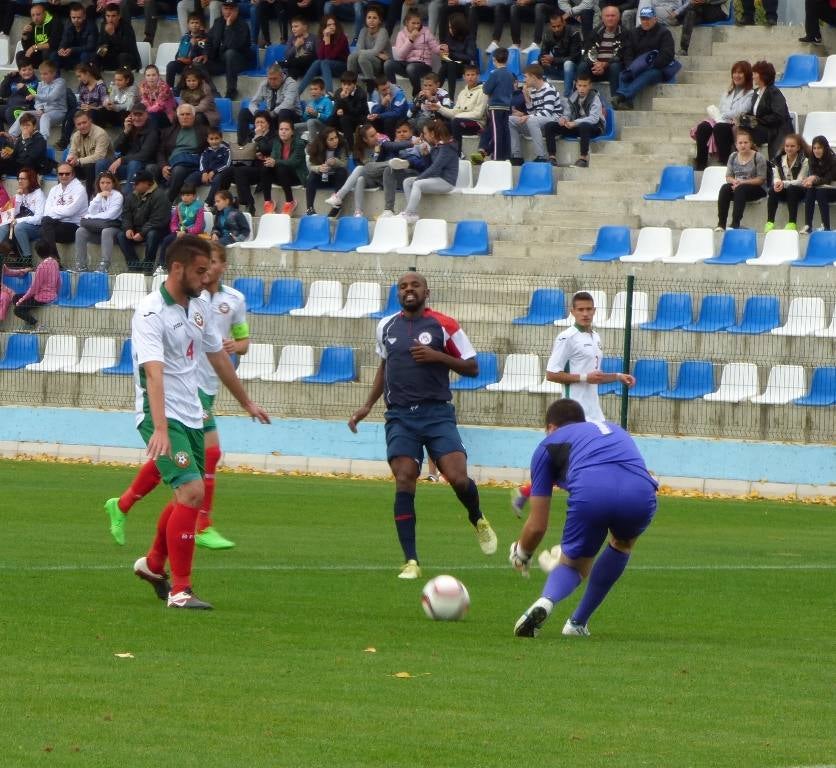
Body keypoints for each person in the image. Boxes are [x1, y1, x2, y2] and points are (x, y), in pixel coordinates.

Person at [123, 235, 269, 609]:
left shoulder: (199, 308)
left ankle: (154, 564)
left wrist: (247, 401)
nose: (207, 278)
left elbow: (219, 358)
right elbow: (153, 373)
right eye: (200, 271)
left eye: (209, 270)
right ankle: (180, 590)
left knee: (186, 494)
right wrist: (158, 427)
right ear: (177, 268)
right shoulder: (151, 312)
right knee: (191, 492)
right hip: (162, 415)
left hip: (191, 413)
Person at [347, 271, 498, 579]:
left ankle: (477, 516)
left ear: (426, 291)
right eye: (402, 286)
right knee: (405, 477)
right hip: (401, 416)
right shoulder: (385, 326)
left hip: (437, 413)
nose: (408, 290)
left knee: (457, 478)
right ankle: (411, 560)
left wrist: (437, 356)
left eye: (414, 285)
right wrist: (366, 405)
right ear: (397, 293)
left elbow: (472, 366)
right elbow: (385, 366)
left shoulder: (445, 325)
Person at [509, 398, 657, 638]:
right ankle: (577, 623)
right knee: (622, 543)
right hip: (641, 491)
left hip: (592, 493)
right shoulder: (611, 429)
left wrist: (522, 553)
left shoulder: (548, 444)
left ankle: (547, 600)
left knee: (575, 564)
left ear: (551, 428)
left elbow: (537, 526)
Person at [324, 122, 415, 216]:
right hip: (371, 178)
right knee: (360, 177)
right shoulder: (358, 152)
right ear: (365, 139)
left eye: (376, 133)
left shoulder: (383, 143)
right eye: (372, 136)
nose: (376, 136)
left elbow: (393, 146)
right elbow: (369, 170)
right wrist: (376, 154)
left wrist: (411, 143)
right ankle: (358, 212)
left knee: (363, 168)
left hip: (384, 177)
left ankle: (339, 196)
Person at [692, 60, 753, 171]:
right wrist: (723, 115)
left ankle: (725, 163)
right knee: (703, 127)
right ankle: (701, 164)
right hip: (722, 120)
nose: (736, 76)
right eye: (734, 73)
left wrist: (723, 115)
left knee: (720, 128)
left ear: (747, 75)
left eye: (740, 73)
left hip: (736, 124)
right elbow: (721, 109)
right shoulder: (727, 93)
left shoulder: (751, 94)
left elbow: (742, 111)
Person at [611, 6, 675, 111]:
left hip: (656, 69)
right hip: (637, 66)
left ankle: (621, 96)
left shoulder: (664, 33)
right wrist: (631, 67)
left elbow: (667, 55)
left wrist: (648, 66)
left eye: (648, 19)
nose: (645, 22)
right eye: (643, 19)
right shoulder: (633, 33)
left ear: (655, 19)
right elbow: (628, 52)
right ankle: (627, 103)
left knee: (649, 73)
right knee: (625, 73)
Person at [397, 119, 457, 223]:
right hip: (436, 179)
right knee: (407, 182)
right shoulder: (435, 147)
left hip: (446, 182)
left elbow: (435, 169)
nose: (424, 136)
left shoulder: (446, 148)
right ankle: (412, 213)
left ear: (432, 134)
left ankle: (409, 213)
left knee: (417, 184)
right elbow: (429, 166)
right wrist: (426, 155)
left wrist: (419, 179)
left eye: (425, 133)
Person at [219, 110, 276, 215]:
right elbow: (244, 149)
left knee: (240, 171)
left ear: (268, 124)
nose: (259, 125)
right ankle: (222, 202)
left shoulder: (273, 136)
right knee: (228, 171)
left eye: (262, 122)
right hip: (247, 166)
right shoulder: (251, 134)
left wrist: (259, 137)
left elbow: (267, 150)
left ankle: (249, 204)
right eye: (257, 122)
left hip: (263, 169)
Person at [96, 103, 159, 196]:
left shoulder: (153, 131)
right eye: (135, 115)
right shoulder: (130, 128)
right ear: (130, 115)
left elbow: (145, 154)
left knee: (134, 163)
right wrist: (125, 132)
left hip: (142, 166)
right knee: (101, 163)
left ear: (146, 115)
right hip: (127, 165)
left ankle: (127, 197)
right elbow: (116, 148)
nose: (137, 118)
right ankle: (100, 195)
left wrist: (121, 160)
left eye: (140, 115)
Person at [544, 72, 605, 167]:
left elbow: (594, 119)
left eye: (585, 86)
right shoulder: (573, 98)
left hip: (594, 127)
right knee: (550, 126)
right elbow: (568, 114)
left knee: (584, 125)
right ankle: (552, 157)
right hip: (577, 127)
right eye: (580, 85)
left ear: (590, 86)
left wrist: (575, 123)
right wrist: (564, 119)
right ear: (576, 85)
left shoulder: (595, 98)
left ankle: (583, 159)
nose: (582, 88)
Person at [26, 163, 88, 255]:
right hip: (55, 224)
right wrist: (60, 210)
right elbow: (46, 212)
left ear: (73, 174)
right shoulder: (54, 189)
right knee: (44, 228)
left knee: (44, 232)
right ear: (57, 175)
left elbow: (70, 211)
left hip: (74, 226)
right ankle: (54, 259)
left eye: (67, 173)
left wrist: (54, 209)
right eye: (61, 174)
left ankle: (53, 259)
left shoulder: (80, 189)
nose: (64, 176)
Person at [118, 169, 171, 274]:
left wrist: (142, 233)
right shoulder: (131, 196)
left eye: (137, 183)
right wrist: (128, 228)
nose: (134, 186)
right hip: (137, 229)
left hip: (155, 230)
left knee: (152, 234)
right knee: (121, 235)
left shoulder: (160, 196)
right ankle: (134, 266)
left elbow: (158, 220)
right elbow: (126, 215)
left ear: (147, 183)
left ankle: (148, 266)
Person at [154, 103, 210, 202]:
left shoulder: (204, 131)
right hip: (173, 163)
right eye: (182, 114)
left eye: (188, 114)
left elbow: (212, 150)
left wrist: (206, 170)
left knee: (178, 170)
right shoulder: (169, 132)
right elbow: (160, 152)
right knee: (155, 170)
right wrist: (163, 166)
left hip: (195, 164)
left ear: (194, 116)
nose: (185, 117)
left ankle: (166, 202)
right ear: (178, 117)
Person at [715, 127, 768, 231]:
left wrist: (742, 182)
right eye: (740, 143)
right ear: (736, 145)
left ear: (751, 143)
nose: (743, 145)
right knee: (725, 188)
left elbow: (761, 179)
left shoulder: (758, 157)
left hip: (756, 189)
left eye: (745, 142)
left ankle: (735, 223)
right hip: (739, 187)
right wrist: (734, 181)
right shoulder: (733, 156)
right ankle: (721, 224)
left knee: (740, 189)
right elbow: (728, 176)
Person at [237, 65, 300, 147]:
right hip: (271, 116)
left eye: (275, 79)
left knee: (283, 112)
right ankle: (243, 145)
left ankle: (280, 147)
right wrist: (257, 113)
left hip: (291, 116)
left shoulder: (291, 84)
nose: (272, 81)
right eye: (270, 79)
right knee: (244, 112)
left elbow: (289, 104)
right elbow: (253, 103)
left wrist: (273, 113)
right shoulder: (264, 84)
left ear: (281, 76)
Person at [471, 47, 515, 164]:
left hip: (496, 106)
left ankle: (496, 157)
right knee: (504, 131)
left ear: (494, 59)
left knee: (496, 132)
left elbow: (486, 89)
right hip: (506, 107)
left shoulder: (495, 74)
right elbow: (512, 90)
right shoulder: (510, 74)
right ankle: (505, 155)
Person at [740, 60, 792, 160]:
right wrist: (745, 118)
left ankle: (748, 158)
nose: (753, 76)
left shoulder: (774, 92)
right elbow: (754, 113)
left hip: (774, 129)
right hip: (761, 127)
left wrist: (757, 120)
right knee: (737, 127)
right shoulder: (756, 92)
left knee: (743, 130)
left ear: (763, 75)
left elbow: (778, 115)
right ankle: (744, 157)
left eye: (755, 73)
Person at [73, 170, 124, 273]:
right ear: (98, 184)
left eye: (108, 183)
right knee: (80, 231)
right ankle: (81, 265)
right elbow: (91, 211)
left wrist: (91, 217)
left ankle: (104, 265)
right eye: (102, 183)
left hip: (114, 228)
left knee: (106, 231)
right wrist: (98, 197)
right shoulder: (98, 196)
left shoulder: (118, 196)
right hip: (98, 228)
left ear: (113, 183)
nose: (105, 185)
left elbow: (111, 215)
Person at [510, 64, 560, 166]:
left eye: (526, 77)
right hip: (537, 122)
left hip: (553, 120)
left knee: (531, 120)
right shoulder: (532, 90)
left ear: (533, 77)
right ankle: (516, 156)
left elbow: (547, 112)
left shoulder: (549, 89)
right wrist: (526, 97)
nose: (524, 80)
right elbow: (533, 113)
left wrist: (528, 117)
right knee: (509, 119)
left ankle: (541, 156)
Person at [9, 239, 61, 333]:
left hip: (41, 298)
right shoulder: (55, 262)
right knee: (16, 297)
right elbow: (59, 281)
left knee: (17, 310)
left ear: (38, 253)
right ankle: (28, 321)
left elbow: (34, 289)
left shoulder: (41, 267)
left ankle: (36, 324)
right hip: (51, 295)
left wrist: (22, 299)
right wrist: (55, 294)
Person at [385, 10, 441, 98]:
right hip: (406, 64)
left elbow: (435, 48)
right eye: (413, 23)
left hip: (423, 65)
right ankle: (393, 91)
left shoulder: (426, 32)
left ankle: (417, 94)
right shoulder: (401, 34)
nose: (416, 26)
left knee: (411, 68)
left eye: (418, 23)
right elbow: (400, 55)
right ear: (407, 23)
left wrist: (442, 49)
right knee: (388, 64)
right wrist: (410, 40)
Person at [7, 60, 66, 141]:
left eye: (45, 74)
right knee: (25, 114)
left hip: (58, 111)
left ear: (53, 73)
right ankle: (11, 137)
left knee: (45, 116)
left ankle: (41, 140)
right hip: (44, 111)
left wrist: (35, 96)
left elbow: (51, 97)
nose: (42, 76)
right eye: (41, 74)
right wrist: (40, 109)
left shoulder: (60, 82)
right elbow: (38, 102)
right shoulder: (41, 84)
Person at [206, 0, 252, 100]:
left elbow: (233, 45)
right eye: (225, 9)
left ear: (236, 10)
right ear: (222, 9)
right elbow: (209, 41)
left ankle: (231, 90)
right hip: (221, 62)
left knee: (230, 53)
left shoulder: (242, 25)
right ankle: (213, 92)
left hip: (239, 61)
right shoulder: (218, 22)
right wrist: (205, 55)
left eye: (231, 9)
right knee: (198, 63)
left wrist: (229, 27)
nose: (227, 12)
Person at [261, 118, 308, 215]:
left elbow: (293, 162)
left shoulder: (299, 143)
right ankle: (268, 201)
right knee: (266, 167)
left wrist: (275, 162)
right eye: (281, 129)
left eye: (286, 129)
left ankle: (290, 201)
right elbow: (273, 158)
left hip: (296, 176)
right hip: (281, 176)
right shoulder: (277, 142)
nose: (283, 132)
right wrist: (270, 161)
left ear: (292, 132)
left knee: (281, 167)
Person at [156, 184, 205, 274]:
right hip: (179, 232)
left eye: (188, 195)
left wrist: (186, 231)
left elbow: (199, 226)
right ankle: (161, 265)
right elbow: (173, 222)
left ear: (194, 196)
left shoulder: (199, 207)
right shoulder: (179, 206)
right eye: (183, 195)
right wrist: (176, 231)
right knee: (166, 240)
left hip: (193, 234)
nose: (185, 198)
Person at [765, 134, 809, 234]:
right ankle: (770, 222)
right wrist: (777, 183)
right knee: (772, 190)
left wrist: (783, 183)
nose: (789, 148)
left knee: (792, 189)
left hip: (799, 191)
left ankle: (792, 223)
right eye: (787, 146)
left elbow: (800, 181)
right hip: (784, 189)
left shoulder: (804, 160)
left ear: (798, 147)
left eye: (792, 146)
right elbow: (776, 176)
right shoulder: (779, 159)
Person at [438, 64, 487, 152]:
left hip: (477, 124)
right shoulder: (462, 93)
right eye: (468, 75)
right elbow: (454, 112)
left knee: (456, 122)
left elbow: (478, 114)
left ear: (478, 76)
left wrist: (458, 116)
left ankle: (458, 153)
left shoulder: (483, 91)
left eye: (473, 75)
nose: (470, 77)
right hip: (461, 122)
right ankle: (443, 151)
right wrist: (438, 108)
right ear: (464, 77)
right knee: (442, 125)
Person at [297, 14, 350, 94]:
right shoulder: (323, 37)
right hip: (328, 66)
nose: (332, 27)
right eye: (329, 25)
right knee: (317, 62)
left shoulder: (342, 37)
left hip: (343, 66)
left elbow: (330, 57)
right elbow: (320, 57)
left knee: (324, 62)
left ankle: (329, 94)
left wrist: (327, 41)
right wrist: (325, 39)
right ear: (324, 27)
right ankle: (297, 93)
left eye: (334, 24)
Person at [578, 4, 624, 95]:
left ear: (619, 18)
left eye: (613, 16)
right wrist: (596, 64)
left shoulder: (625, 34)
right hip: (595, 68)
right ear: (602, 18)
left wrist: (605, 64)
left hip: (612, 69)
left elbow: (622, 55)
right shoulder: (594, 33)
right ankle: (579, 98)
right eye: (607, 16)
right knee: (582, 65)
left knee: (615, 66)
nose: (610, 19)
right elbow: (587, 53)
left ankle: (616, 100)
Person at [303, 126, 348, 215]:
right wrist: (319, 168)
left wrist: (336, 161)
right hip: (322, 177)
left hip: (335, 179)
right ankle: (310, 208)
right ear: (324, 141)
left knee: (342, 172)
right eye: (331, 139)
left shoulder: (342, 145)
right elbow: (310, 165)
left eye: (336, 137)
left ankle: (337, 206)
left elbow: (344, 164)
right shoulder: (314, 147)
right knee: (312, 175)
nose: (335, 141)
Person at [66, 110, 113, 194]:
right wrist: (70, 159)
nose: (82, 126)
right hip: (85, 165)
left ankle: (89, 198)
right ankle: (61, 196)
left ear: (90, 121)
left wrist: (78, 161)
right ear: (75, 126)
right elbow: (72, 151)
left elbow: (99, 156)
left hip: (104, 166)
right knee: (64, 167)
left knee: (91, 166)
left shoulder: (100, 134)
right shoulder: (75, 135)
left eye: (84, 122)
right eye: (79, 124)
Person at [0, 168, 46, 251]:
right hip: (21, 225)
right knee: (3, 225)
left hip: (37, 228)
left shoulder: (39, 195)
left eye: (23, 179)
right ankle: (5, 254)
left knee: (19, 227)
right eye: (19, 179)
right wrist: (18, 197)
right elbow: (14, 214)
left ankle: (27, 258)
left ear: (31, 180)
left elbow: (39, 219)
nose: (20, 181)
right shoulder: (21, 193)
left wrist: (19, 220)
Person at [538, 11, 583, 95]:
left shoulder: (574, 33)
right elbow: (542, 53)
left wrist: (553, 60)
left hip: (573, 71)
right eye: (554, 27)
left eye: (559, 26)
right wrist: (543, 60)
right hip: (557, 69)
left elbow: (574, 57)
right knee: (535, 64)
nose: (556, 29)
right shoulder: (547, 34)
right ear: (550, 26)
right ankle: (538, 94)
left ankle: (567, 95)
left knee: (568, 64)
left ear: (564, 23)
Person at [346, 4, 391, 85]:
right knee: (351, 57)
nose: (371, 20)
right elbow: (360, 49)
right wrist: (376, 53)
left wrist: (374, 52)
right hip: (367, 61)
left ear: (380, 20)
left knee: (362, 57)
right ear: (366, 19)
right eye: (369, 17)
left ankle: (371, 84)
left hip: (382, 64)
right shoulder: (363, 31)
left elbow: (375, 50)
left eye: (375, 18)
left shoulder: (383, 32)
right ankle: (350, 83)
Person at [438, 12, 478, 98]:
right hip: (450, 66)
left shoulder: (469, 37)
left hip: (465, 67)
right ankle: (434, 94)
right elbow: (445, 60)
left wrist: (451, 54)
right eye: (449, 27)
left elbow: (470, 57)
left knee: (451, 65)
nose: (449, 30)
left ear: (458, 27)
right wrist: (443, 55)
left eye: (451, 27)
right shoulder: (448, 36)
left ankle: (450, 98)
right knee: (446, 66)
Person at [801, 136, 836, 234]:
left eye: (819, 148)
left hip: (833, 189)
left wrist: (814, 179)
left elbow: (827, 180)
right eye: (814, 148)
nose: (816, 151)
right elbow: (814, 178)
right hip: (820, 189)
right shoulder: (812, 159)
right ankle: (808, 225)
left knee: (820, 192)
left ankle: (826, 227)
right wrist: (808, 180)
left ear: (825, 148)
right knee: (810, 190)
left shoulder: (834, 160)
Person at [93, 4, 142, 73]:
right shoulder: (103, 25)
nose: (110, 19)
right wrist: (101, 49)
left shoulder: (127, 27)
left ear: (119, 16)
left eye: (113, 16)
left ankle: (124, 80)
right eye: (108, 16)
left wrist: (113, 35)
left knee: (122, 56)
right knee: (96, 56)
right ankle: (97, 80)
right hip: (112, 58)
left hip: (128, 61)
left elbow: (127, 49)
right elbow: (101, 44)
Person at [166, 12, 209, 88]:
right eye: (192, 23)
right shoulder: (185, 37)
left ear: (201, 25)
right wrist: (179, 58)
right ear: (188, 25)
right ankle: (169, 89)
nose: (194, 25)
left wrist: (194, 45)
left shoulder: (203, 38)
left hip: (195, 65)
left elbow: (202, 53)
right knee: (171, 65)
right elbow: (178, 53)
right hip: (183, 63)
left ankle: (178, 91)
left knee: (187, 70)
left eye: (196, 23)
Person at [52, 2, 97, 71]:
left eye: (79, 17)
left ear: (84, 16)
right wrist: (61, 49)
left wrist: (72, 49)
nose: (76, 20)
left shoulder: (91, 26)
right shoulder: (68, 25)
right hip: (72, 55)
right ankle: (56, 79)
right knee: (54, 55)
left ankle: (83, 78)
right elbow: (64, 41)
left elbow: (90, 47)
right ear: (70, 16)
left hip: (85, 56)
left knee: (84, 55)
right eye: (73, 17)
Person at [20, 2, 64, 69]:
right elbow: (27, 48)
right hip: (39, 54)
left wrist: (34, 47)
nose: (35, 18)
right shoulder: (32, 25)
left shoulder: (55, 22)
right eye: (33, 15)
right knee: (21, 55)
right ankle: (27, 77)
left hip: (53, 52)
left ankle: (54, 77)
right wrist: (24, 35)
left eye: (38, 14)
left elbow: (53, 44)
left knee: (48, 53)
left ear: (45, 13)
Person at [197, 127, 232, 207]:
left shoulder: (226, 150)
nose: (214, 141)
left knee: (217, 179)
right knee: (192, 178)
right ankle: (189, 202)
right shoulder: (206, 151)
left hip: (221, 172)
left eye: (217, 138)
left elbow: (227, 164)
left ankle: (208, 202)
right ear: (207, 140)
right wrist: (204, 173)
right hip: (207, 173)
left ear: (221, 139)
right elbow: (202, 163)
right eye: (211, 139)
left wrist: (214, 171)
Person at [0, 59, 39, 131]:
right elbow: (3, 94)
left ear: (33, 70)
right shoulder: (14, 80)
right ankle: (2, 138)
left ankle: (17, 137)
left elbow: (36, 97)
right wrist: (8, 77)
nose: (27, 72)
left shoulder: (36, 82)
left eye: (30, 69)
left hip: (25, 109)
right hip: (10, 107)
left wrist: (24, 88)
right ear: (19, 72)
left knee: (10, 111)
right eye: (24, 70)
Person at [295, 77, 335, 142]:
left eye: (315, 89)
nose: (313, 91)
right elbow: (306, 120)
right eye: (311, 89)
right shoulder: (310, 103)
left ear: (322, 91)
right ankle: (299, 145)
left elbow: (329, 118)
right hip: (312, 125)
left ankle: (314, 144)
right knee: (294, 127)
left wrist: (317, 114)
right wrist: (306, 114)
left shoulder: (327, 101)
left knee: (311, 122)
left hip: (325, 126)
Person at [139, 64, 178, 131]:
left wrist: (147, 112)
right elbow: (144, 100)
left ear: (158, 75)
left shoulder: (164, 87)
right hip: (151, 110)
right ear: (145, 76)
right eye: (148, 75)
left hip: (166, 113)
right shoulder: (143, 85)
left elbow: (160, 105)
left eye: (154, 75)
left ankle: (152, 134)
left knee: (151, 115)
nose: (151, 77)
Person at [282, 16, 317, 81]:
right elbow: (287, 56)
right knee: (294, 69)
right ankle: (290, 89)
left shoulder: (314, 38)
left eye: (296, 26)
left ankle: (283, 64)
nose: (293, 29)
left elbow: (318, 56)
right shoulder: (292, 38)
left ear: (305, 27)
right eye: (292, 27)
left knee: (310, 56)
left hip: (308, 67)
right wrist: (296, 46)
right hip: (296, 67)